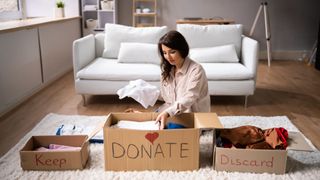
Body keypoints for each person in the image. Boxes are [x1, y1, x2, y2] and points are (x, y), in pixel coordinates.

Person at [155, 30, 211, 129]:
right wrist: (148, 93)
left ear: (182, 50)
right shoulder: (167, 69)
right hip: (175, 113)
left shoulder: (196, 70)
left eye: (172, 52)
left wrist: (168, 112)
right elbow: (167, 98)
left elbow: (189, 97)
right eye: (164, 53)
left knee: (167, 131)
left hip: (192, 117)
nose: (168, 57)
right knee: (153, 122)